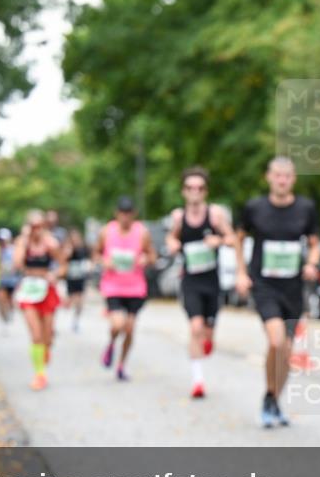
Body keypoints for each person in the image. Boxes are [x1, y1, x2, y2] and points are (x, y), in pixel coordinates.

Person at [235, 157, 320, 428]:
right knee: (276, 341)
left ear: (293, 179)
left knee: (287, 351)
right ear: (268, 177)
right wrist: (240, 272)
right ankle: (270, 398)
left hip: (293, 288)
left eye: (287, 175)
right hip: (264, 285)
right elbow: (238, 239)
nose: (282, 180)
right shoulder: (254, 208)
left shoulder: (305, 208)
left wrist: (312, 263)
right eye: (277, 175)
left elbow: (315, 244)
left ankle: (273, 399)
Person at [165, 166, 236, 399]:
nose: (194, 192)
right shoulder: (178, 217)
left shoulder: (215, 215)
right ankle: (198, 381)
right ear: (183, 191)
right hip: (191, 281)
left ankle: (208, 339)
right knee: (195, 328)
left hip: (212, 281)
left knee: (207, 332)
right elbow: (171, 237)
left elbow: (233, 238)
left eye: (199, 188)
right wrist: (172, 244)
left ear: (205, 191)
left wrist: (220, 240)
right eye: (190, 188)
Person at [95, 196, 157, 381]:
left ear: (133, 214)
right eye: (122, 213)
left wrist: (146, 259)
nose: (125, 217)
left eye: (129, 213)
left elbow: (152, 255)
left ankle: (121, 365)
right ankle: (111, 343)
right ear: (117, 214)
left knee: (129, 329)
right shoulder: (106, 231)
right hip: (113, 286)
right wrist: (104, 261)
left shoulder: (142, 232)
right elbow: (96, 253)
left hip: (135, 287)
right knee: (117, 324)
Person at [13, 210, 66, 390]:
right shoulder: (23, 242)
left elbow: (63, 265)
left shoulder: (50, 243)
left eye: (39, 226)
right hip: (29, 290)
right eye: (33, 226)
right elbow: (17, 264)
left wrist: (55, 275)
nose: (36, 230)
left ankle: (46, 348)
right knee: (36, 336)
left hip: (47, 289)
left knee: (47, 337)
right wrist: (24, 240)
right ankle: (40, 375)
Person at [63, 228, 91, 333]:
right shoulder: (68, 247)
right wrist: (69, 248)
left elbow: (88, 259)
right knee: (71, 298)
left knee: (80, 300)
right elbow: (64, 258)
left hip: (80, 276)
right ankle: (68, 314)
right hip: (71, 277)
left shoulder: (84, 248)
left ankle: (75, 320)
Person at [0, 227, 18, 333]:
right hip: (1, 280)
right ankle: (3, 322)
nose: (3, 241)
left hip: (12, 280)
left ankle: (10, 314)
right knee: (1, 300)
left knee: (10, 300)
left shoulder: (14, 250)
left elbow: (18, 264)